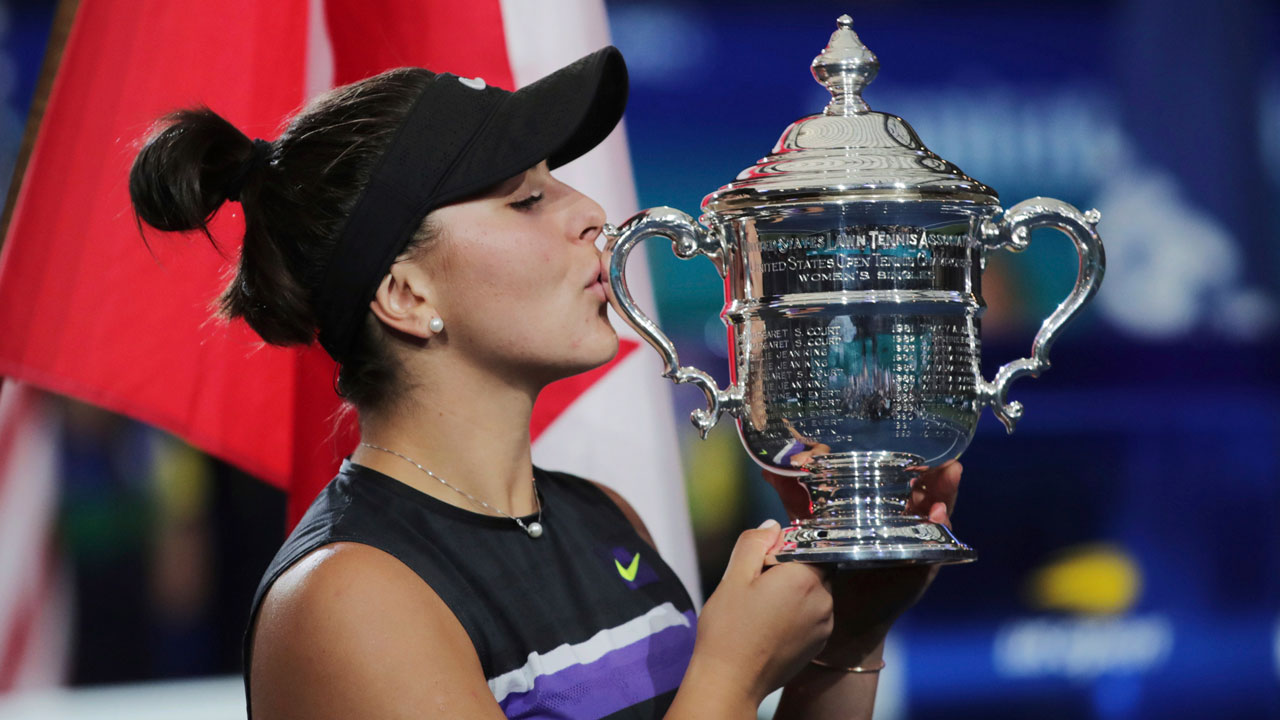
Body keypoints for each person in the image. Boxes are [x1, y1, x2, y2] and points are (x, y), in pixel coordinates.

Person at [128, 46, 959, 720]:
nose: (591, 210)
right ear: (406, 296)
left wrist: (846, 641)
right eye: (527, 199)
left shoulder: (600, 515)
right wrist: (731, 681)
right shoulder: (349, 601)